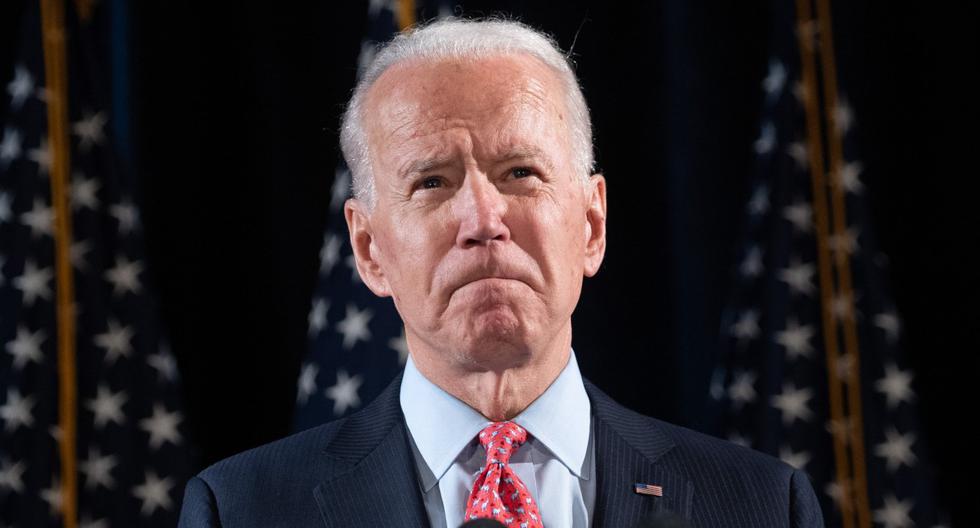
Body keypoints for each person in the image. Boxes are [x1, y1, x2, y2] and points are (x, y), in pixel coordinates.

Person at [178, 18, 823, 528]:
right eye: (432, 181)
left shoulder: (763, 506)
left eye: (520, 173)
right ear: (370, 249)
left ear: (591, 226)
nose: (483, 218)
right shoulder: (240, 510)